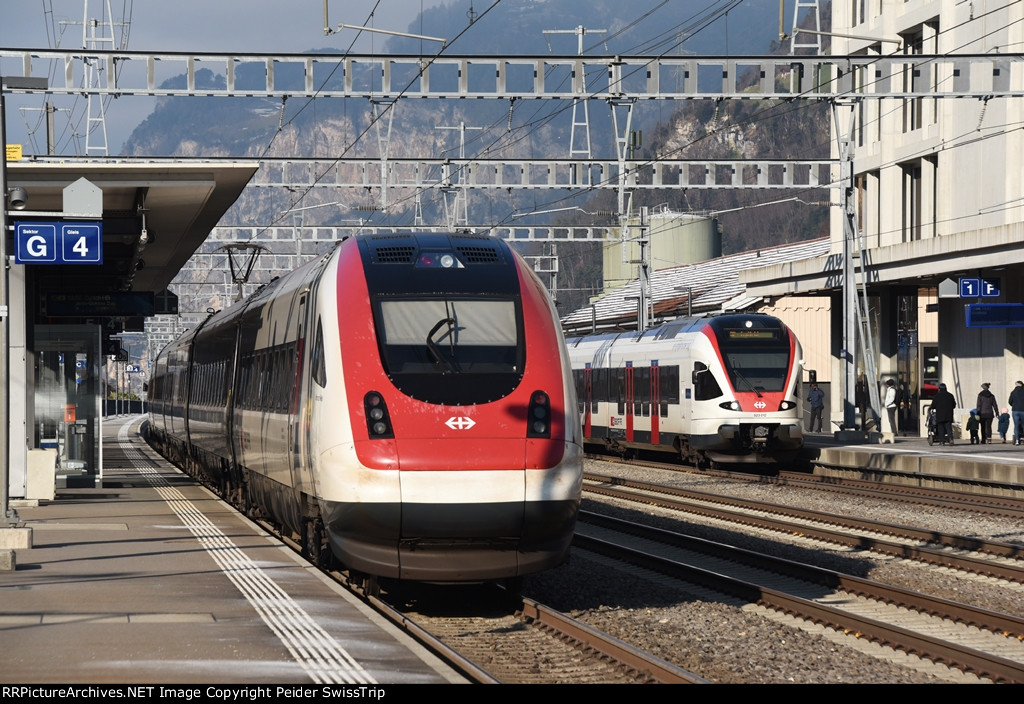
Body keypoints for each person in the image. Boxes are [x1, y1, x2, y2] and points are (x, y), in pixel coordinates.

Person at [1009, 381, 1024, 446]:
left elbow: (1010, 401)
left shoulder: (1013, 392)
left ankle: (1017, 440)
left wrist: (1014, 405)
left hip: (1015, 410)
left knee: (1016, 425)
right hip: (1023, 410)